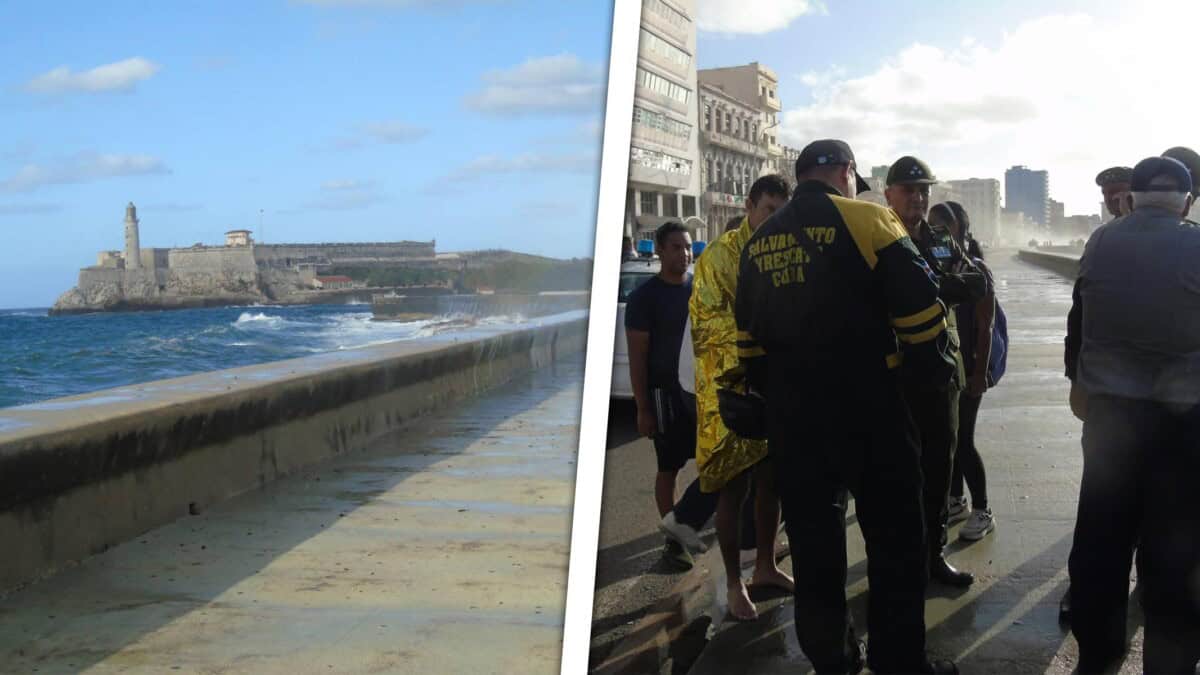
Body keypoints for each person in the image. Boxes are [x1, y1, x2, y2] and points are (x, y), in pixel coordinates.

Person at [736, 139, 958, 674]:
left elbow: (749, 348)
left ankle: (833, 660)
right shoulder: (869, 221)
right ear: (846, 173)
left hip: (796, 421)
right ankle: (899, 661)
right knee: (896, 542)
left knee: (814, 550)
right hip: (870, 412)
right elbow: (925, 326)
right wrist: (922, 405)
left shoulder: (757, 243)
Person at [1064, 156, 1200, 673]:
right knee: (1176, 546)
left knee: (1101, 539)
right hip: (1182, 424)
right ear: (1186, 201)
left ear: (1133, 199)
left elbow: (1084, 312)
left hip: (1112, 421)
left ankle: (1099, 649)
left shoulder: (1102, 242)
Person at [691, 174, 793, 621]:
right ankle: (734, 583)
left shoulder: (786, 251)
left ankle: (766, 566)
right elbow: (707, 328)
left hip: (774, 388)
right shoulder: (718, 258)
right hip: (728, 393)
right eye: (769, 210)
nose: (776, 220)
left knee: (772, 483)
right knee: (730, 492)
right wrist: (759, 350)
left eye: (782, 212)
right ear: (750, 206)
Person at [884, 156, 986, 588]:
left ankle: (932, 556)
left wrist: (937, 286)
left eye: (923, 189)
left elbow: (976, 281)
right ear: (888, 194)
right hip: (892, 373)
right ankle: (897, 560)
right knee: (894, 471)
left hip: (941, 370)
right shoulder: (878, 237)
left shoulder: (940, 237)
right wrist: (944, 286)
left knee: (940, 468)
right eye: (908, 190)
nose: (918, 197)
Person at [624, 222, 716, 570]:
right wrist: (643, 408)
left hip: (700, 390)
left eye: (688, 246)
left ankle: (691, 521)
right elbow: (638, 358)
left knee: (714, 461)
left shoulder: (700, 288)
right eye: (676, 247)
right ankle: (673, 539)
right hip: (664, 395)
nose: (684, 253)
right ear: (660, 250)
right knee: (670, 466)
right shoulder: (644, 298)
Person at [936, 202, 997, 541]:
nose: (939, 231)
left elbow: (985, 325)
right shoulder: (933, 265)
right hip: (946, 366)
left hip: (970, 366)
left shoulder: (976, 269)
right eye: (934, 225)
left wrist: (979, 374)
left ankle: (982, 509)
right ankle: (956, 499)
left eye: (945, 225)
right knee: (950, 438)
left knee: (964, 441)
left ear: (960, 229)